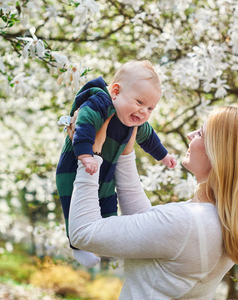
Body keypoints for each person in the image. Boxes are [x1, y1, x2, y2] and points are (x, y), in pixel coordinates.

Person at [68, 106, 238, 299]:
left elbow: (83, 233)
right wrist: (126, 155)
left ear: (219, 154)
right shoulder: (225, 223)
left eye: (201, 133)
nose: (190, 135)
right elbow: (149, 228)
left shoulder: (188, 222)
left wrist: (91, 155)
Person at [56, 60, 176, 267]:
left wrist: (163, 156)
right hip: (74, 168)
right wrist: (85, 155)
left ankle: (103, 244)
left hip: (106, 172)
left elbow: (149, 138)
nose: (143, 112)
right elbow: (83, 123)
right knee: (73, 206)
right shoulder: (101, 103)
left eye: (150, 108)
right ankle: (77, 246)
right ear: (116, 92)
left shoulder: (132, 122)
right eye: (139, 102)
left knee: (109, 206)